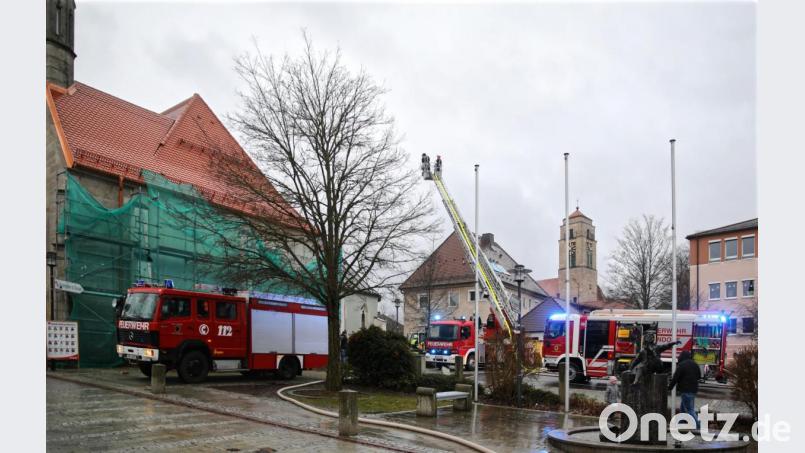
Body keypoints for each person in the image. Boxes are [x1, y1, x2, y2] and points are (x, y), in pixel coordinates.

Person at [668, 350, 702, 428]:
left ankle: (698, 425)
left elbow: (675, 378)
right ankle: (680, 423)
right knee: (683, 408)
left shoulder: (681, 365)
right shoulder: (694, 364)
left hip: (685, 389)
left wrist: (670, 387)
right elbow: (699, 376)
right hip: (693, 390)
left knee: (690, 409)